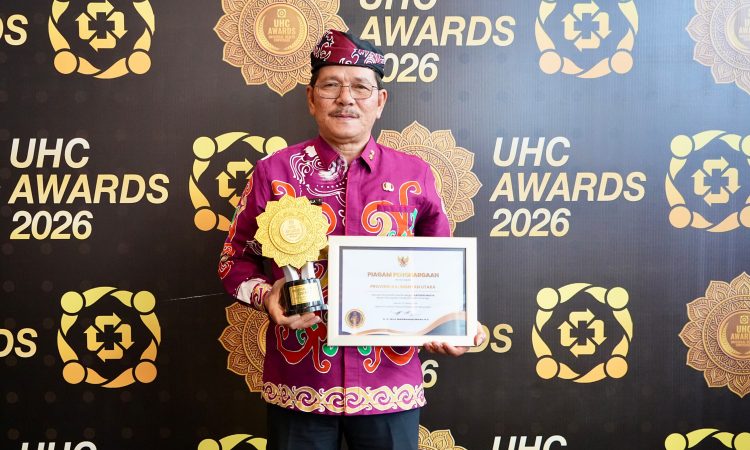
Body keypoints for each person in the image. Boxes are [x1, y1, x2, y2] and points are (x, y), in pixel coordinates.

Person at [219, 29, 485, 450]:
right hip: (300, 382)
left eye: (361, 87)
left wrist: (455, 323)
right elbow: (233, 262)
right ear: (311, 98)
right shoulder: (275, 172)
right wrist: (266, 296)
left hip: (390, 383)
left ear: (380, 101)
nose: (346, 98)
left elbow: (442, 269)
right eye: (331, 86)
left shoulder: (415, 175)